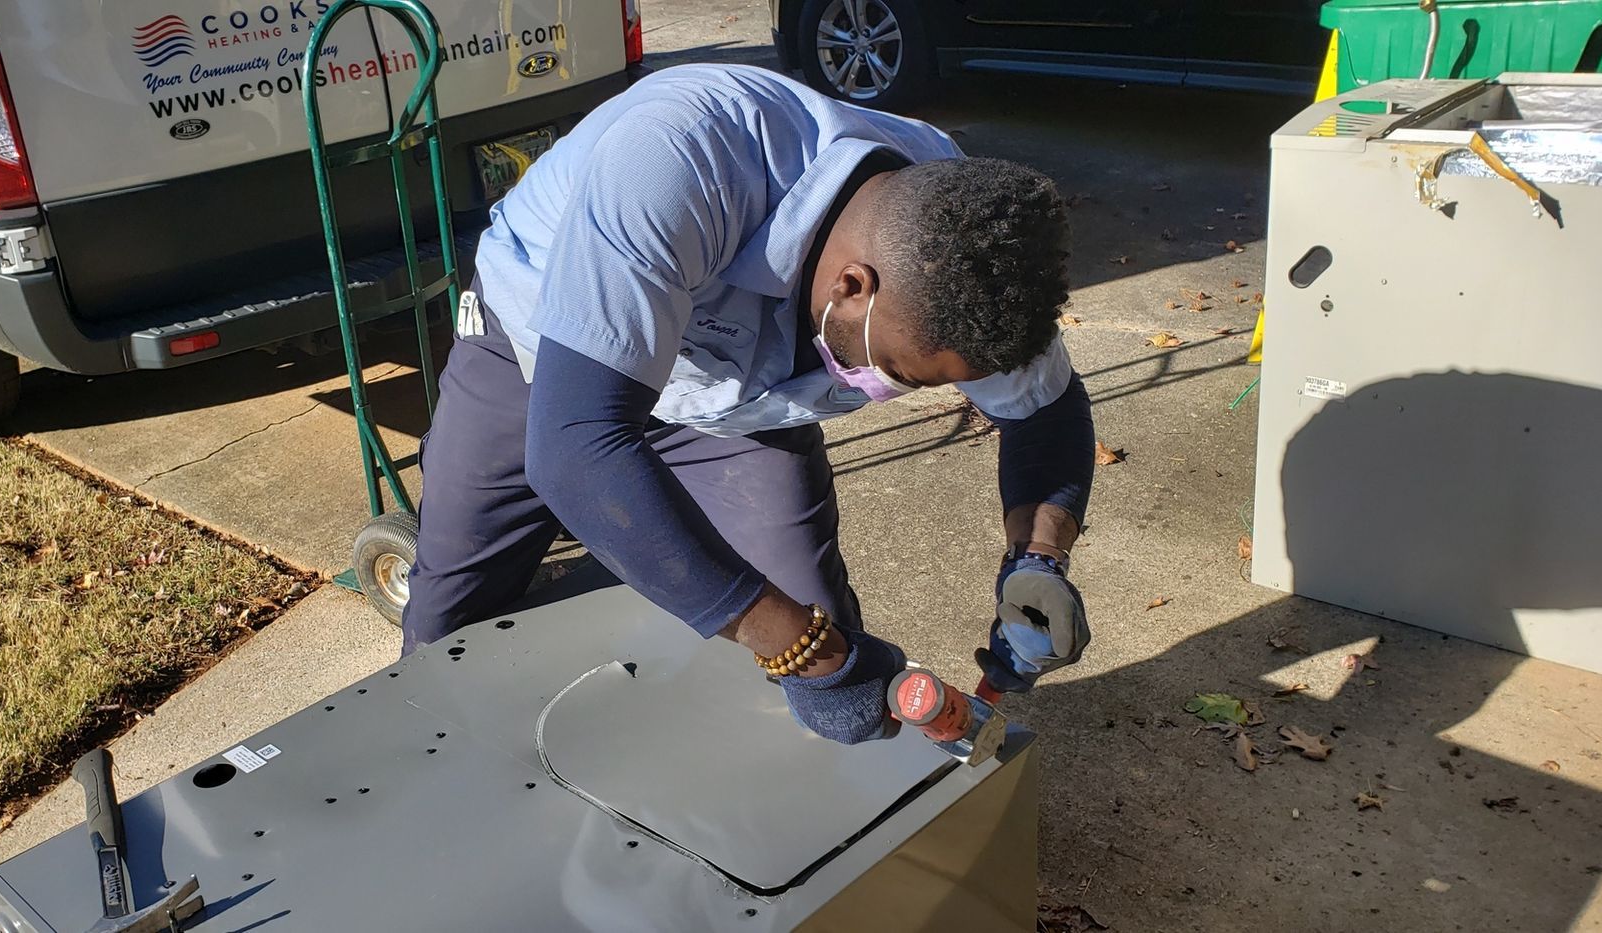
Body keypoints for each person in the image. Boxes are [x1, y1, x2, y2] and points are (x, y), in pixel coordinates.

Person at [401, 63, 1095, 743]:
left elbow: (1045, 415)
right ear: (852, 286)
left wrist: (1037, 559)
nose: (892, 391)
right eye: (898, 373)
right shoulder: (675, 161)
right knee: (448, 629)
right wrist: (806, 653)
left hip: (726, 405)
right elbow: (576, 447)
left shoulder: (966, 245)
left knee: (823, 640)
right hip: (542, 356)